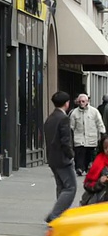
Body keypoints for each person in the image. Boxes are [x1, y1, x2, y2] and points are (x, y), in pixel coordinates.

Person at [44, 91, 76, 223]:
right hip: (63, 159)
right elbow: (65, 141)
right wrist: (71, 155)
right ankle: (56, 214)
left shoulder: (50, 118)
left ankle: (60, 214)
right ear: (67, 103)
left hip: (52, 158)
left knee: (61, 187)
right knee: (70, 187)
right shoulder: (63, 119)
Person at [69, 93, 105, 176]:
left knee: (89, 155)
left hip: (91, 138)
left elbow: (99, 123)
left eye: (83, 101)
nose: (81, 103)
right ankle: (80, 168)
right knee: (79, 155)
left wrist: (102, 133)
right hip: (79, 138)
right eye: (80, 101)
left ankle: (88, 167)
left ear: (87, 101)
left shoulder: (94, 111)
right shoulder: (74, 113)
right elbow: (71, 126)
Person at [82, 133, 108, 205]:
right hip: (99, 203)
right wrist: (100, 182)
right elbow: (87, 185)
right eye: (105, 148)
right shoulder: (98, 162)